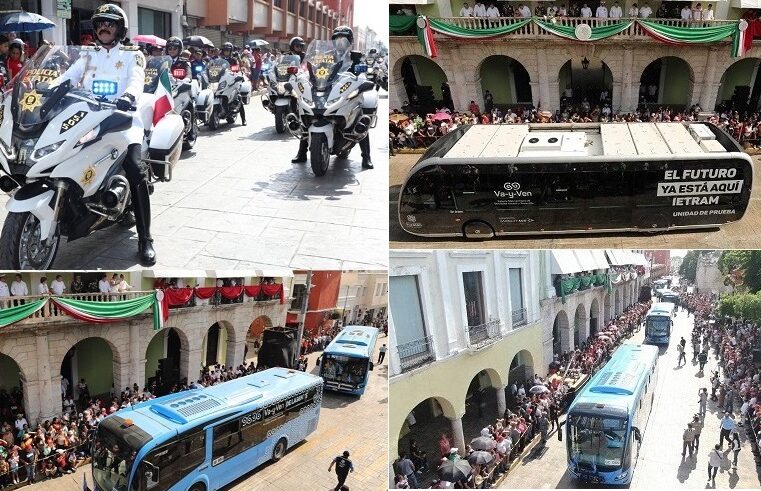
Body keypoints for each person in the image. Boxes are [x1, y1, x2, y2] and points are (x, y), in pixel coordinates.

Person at [52, 4, 155, 265]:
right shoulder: (87, 55)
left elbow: (136, 78)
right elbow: (68, 76)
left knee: (134, 170)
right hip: (87, 120)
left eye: (110, 23)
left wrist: (129, 95)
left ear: (120, 29)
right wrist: (48, 88)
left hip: (122, 121)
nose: (104, 28)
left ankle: (145, 239)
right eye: (99, 24)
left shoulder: (133, 54)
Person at [292, 26, 373, 169]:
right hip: (328, 90)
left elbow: (362, 73)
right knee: (310, 116)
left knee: (361, 117)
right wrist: (304, 76)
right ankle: (302, 152)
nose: (340, 42)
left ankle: (366, 157)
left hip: (347, 91)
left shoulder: (356, 56)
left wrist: (361, 79)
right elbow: (315, 71)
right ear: (334, 41)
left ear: (350, 41)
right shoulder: (326, 55)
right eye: (337, 39)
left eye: (344, 39)